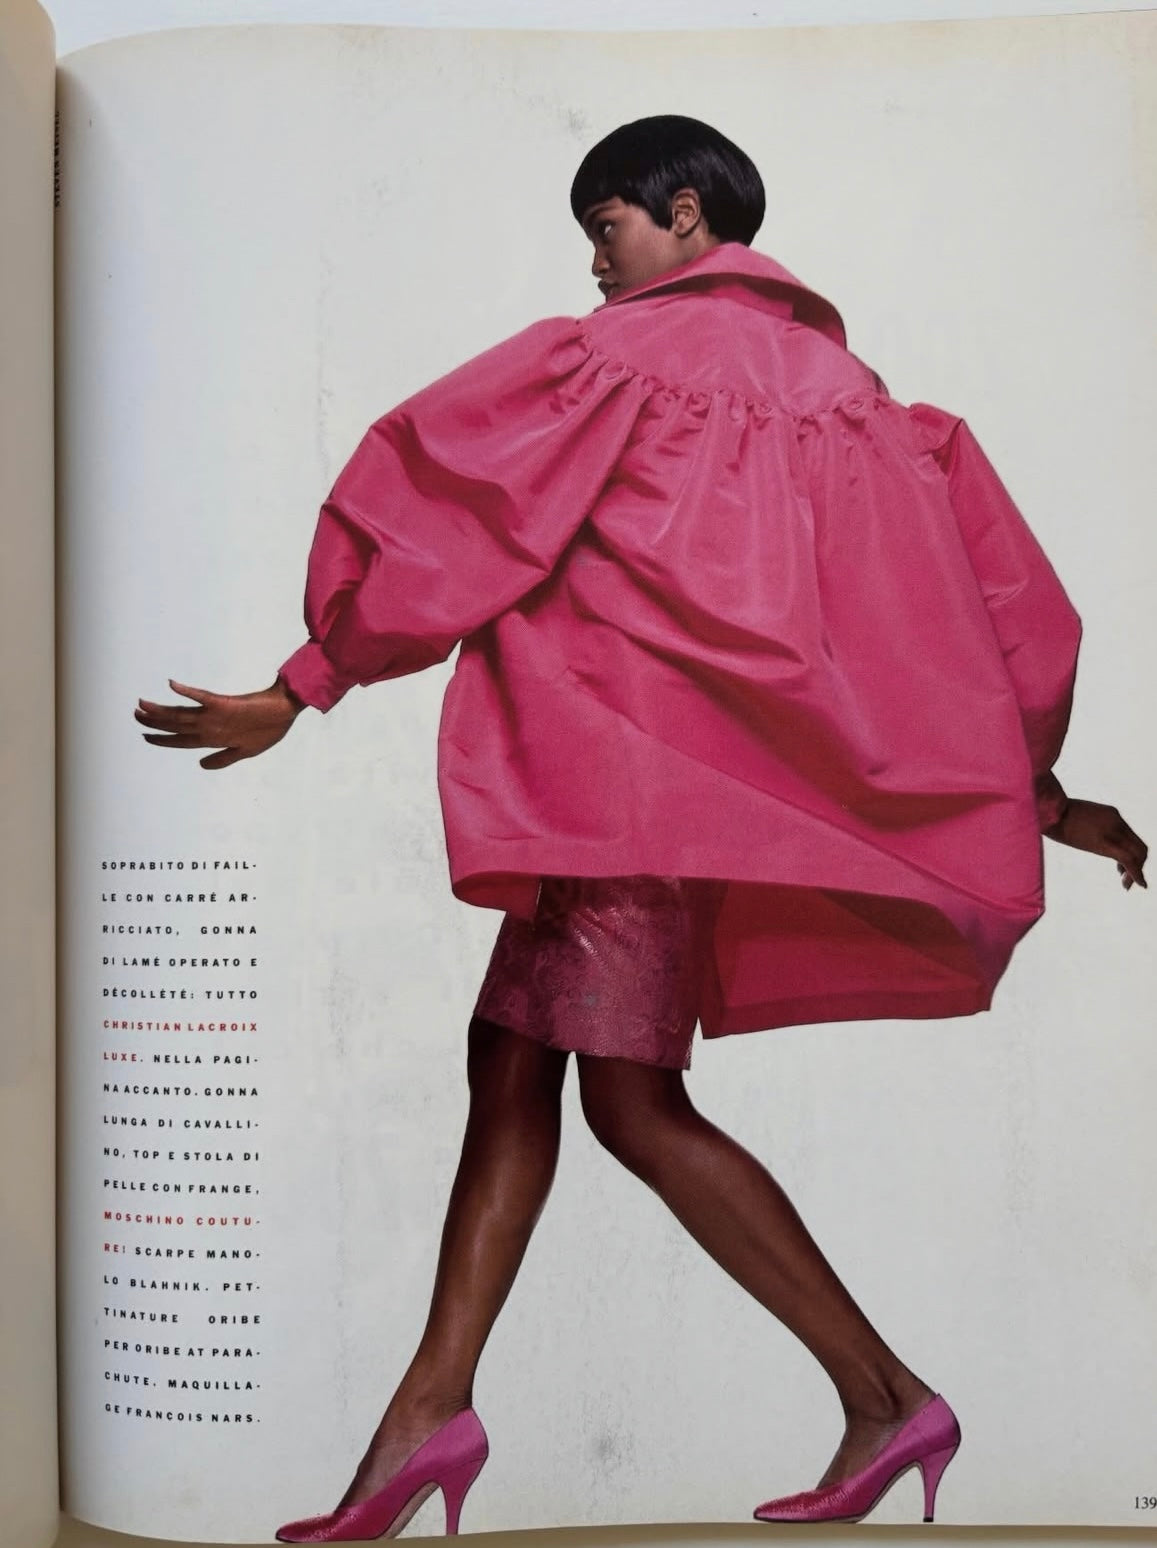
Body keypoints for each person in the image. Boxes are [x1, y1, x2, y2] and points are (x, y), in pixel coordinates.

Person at [136, 116, 1147, 1537]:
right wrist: (1033, 791)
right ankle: (439, 1411)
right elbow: (986, 622)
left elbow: (458, 518)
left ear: (681, 213)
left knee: (624, 1100)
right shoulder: (865, 407)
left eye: (604, 229)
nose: (595, 264)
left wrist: (306, 684)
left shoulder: (605, 364)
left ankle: (876, 1396)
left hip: (614, 794)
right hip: (662, 810)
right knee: (517, 1065)